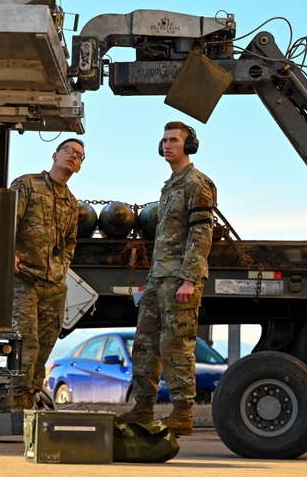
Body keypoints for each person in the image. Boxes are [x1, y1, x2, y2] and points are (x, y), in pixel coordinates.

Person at [116, 121, 216, 436]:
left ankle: (182, 413)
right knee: (145, 344)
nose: (167, 145)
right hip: (159, 277)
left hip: (179, 279)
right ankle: (143, 408)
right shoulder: (170, 185)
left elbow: (201, 234)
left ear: (190, 146)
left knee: (176, 344)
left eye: (174, 140)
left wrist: (190, 279)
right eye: (164, 141)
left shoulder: (197, 184)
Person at [9, 138, 84, 412]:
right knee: (26, 344)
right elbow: (6, 221)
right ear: (55, 154)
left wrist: (62, 267)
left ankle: (28, 403)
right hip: (25, 279)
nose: (73, 157)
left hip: (54, 284)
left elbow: (70, 243)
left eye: (79, 156)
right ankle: (16, 406)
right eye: (69, 151)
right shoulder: (27, 185)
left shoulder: (72, 203)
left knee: (45, 346)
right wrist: (9, 254)